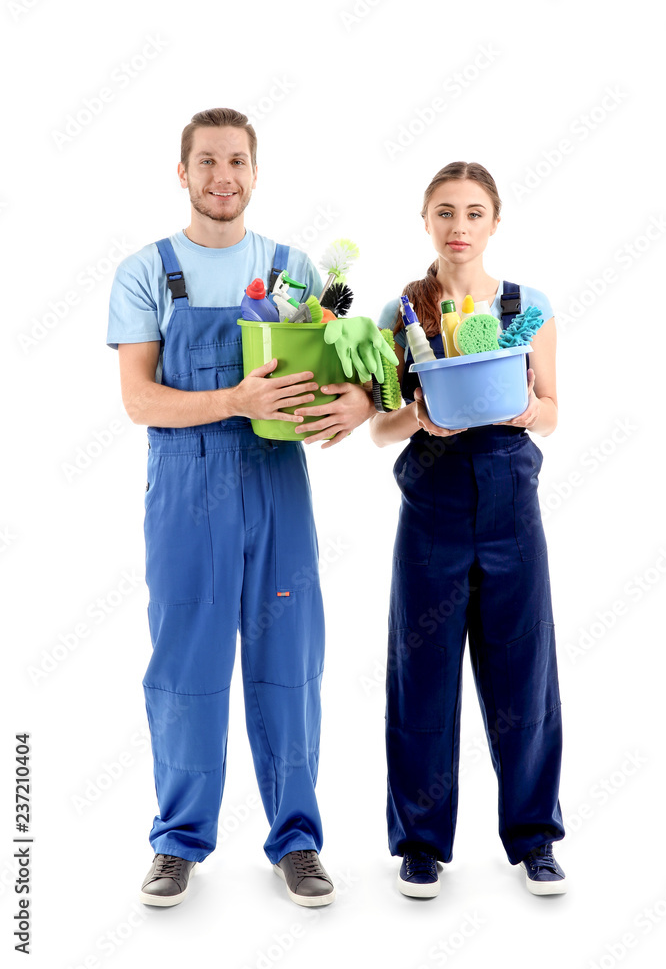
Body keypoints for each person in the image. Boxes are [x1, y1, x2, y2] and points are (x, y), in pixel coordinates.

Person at [106, 108, 373, 908]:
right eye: (207, 162)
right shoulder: (147, 271)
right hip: (186, 487)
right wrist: (232, 397)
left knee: (289, 661)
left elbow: (343, 372)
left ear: (256, 174)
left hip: (276, 478)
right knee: (185, 667)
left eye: (238, 162)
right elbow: (139, 401)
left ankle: (296, 839)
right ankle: (178, 842)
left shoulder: (297, 270)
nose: (223, 176)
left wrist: (357, 403)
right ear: (181, 173)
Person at [370, 161, 566, 898]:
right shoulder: (402, 315)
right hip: (432, 502)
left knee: (524, 675)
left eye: (473, 213)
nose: (458, 227)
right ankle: (420, 845)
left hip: (510, 502)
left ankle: (534, 840)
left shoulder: (527, 305)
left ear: (493, 222)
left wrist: (521, 409)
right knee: (419, 678)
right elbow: (379, 430)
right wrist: (418, 417)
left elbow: (551, 408)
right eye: (445, 212)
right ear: (426, 221)